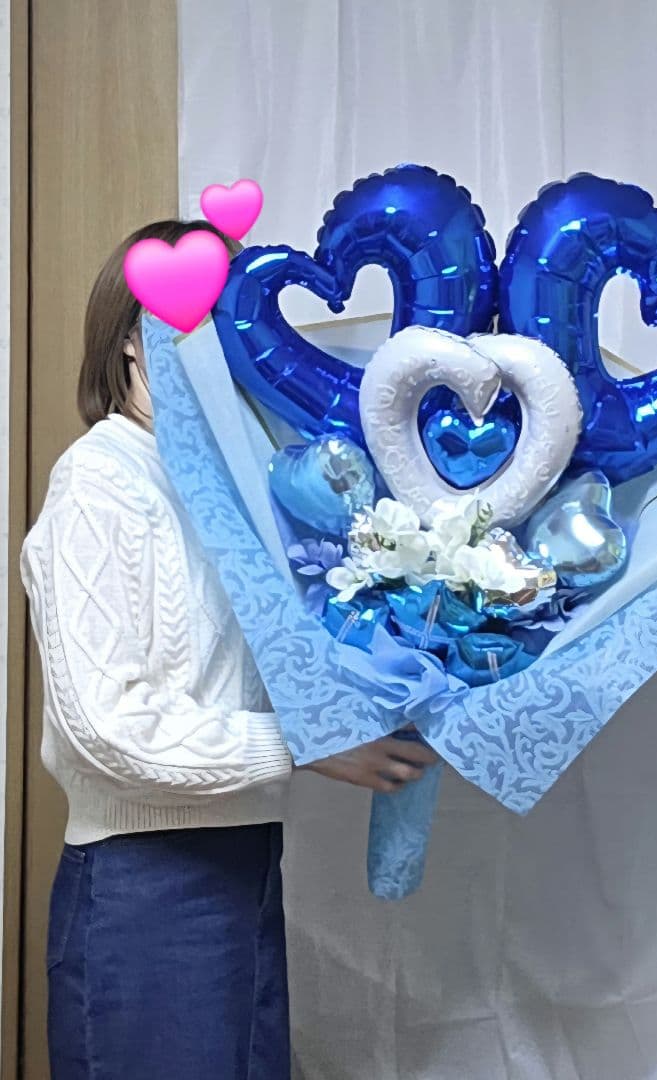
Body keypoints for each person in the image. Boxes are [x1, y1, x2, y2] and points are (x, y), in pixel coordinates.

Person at [20, 219, 440, 1080]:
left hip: (242, 859)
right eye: (191, 325)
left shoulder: (218, 485)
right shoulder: (101, 483)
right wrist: (312, 743)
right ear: (131, 341)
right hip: (145, 882)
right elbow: (107, 727)